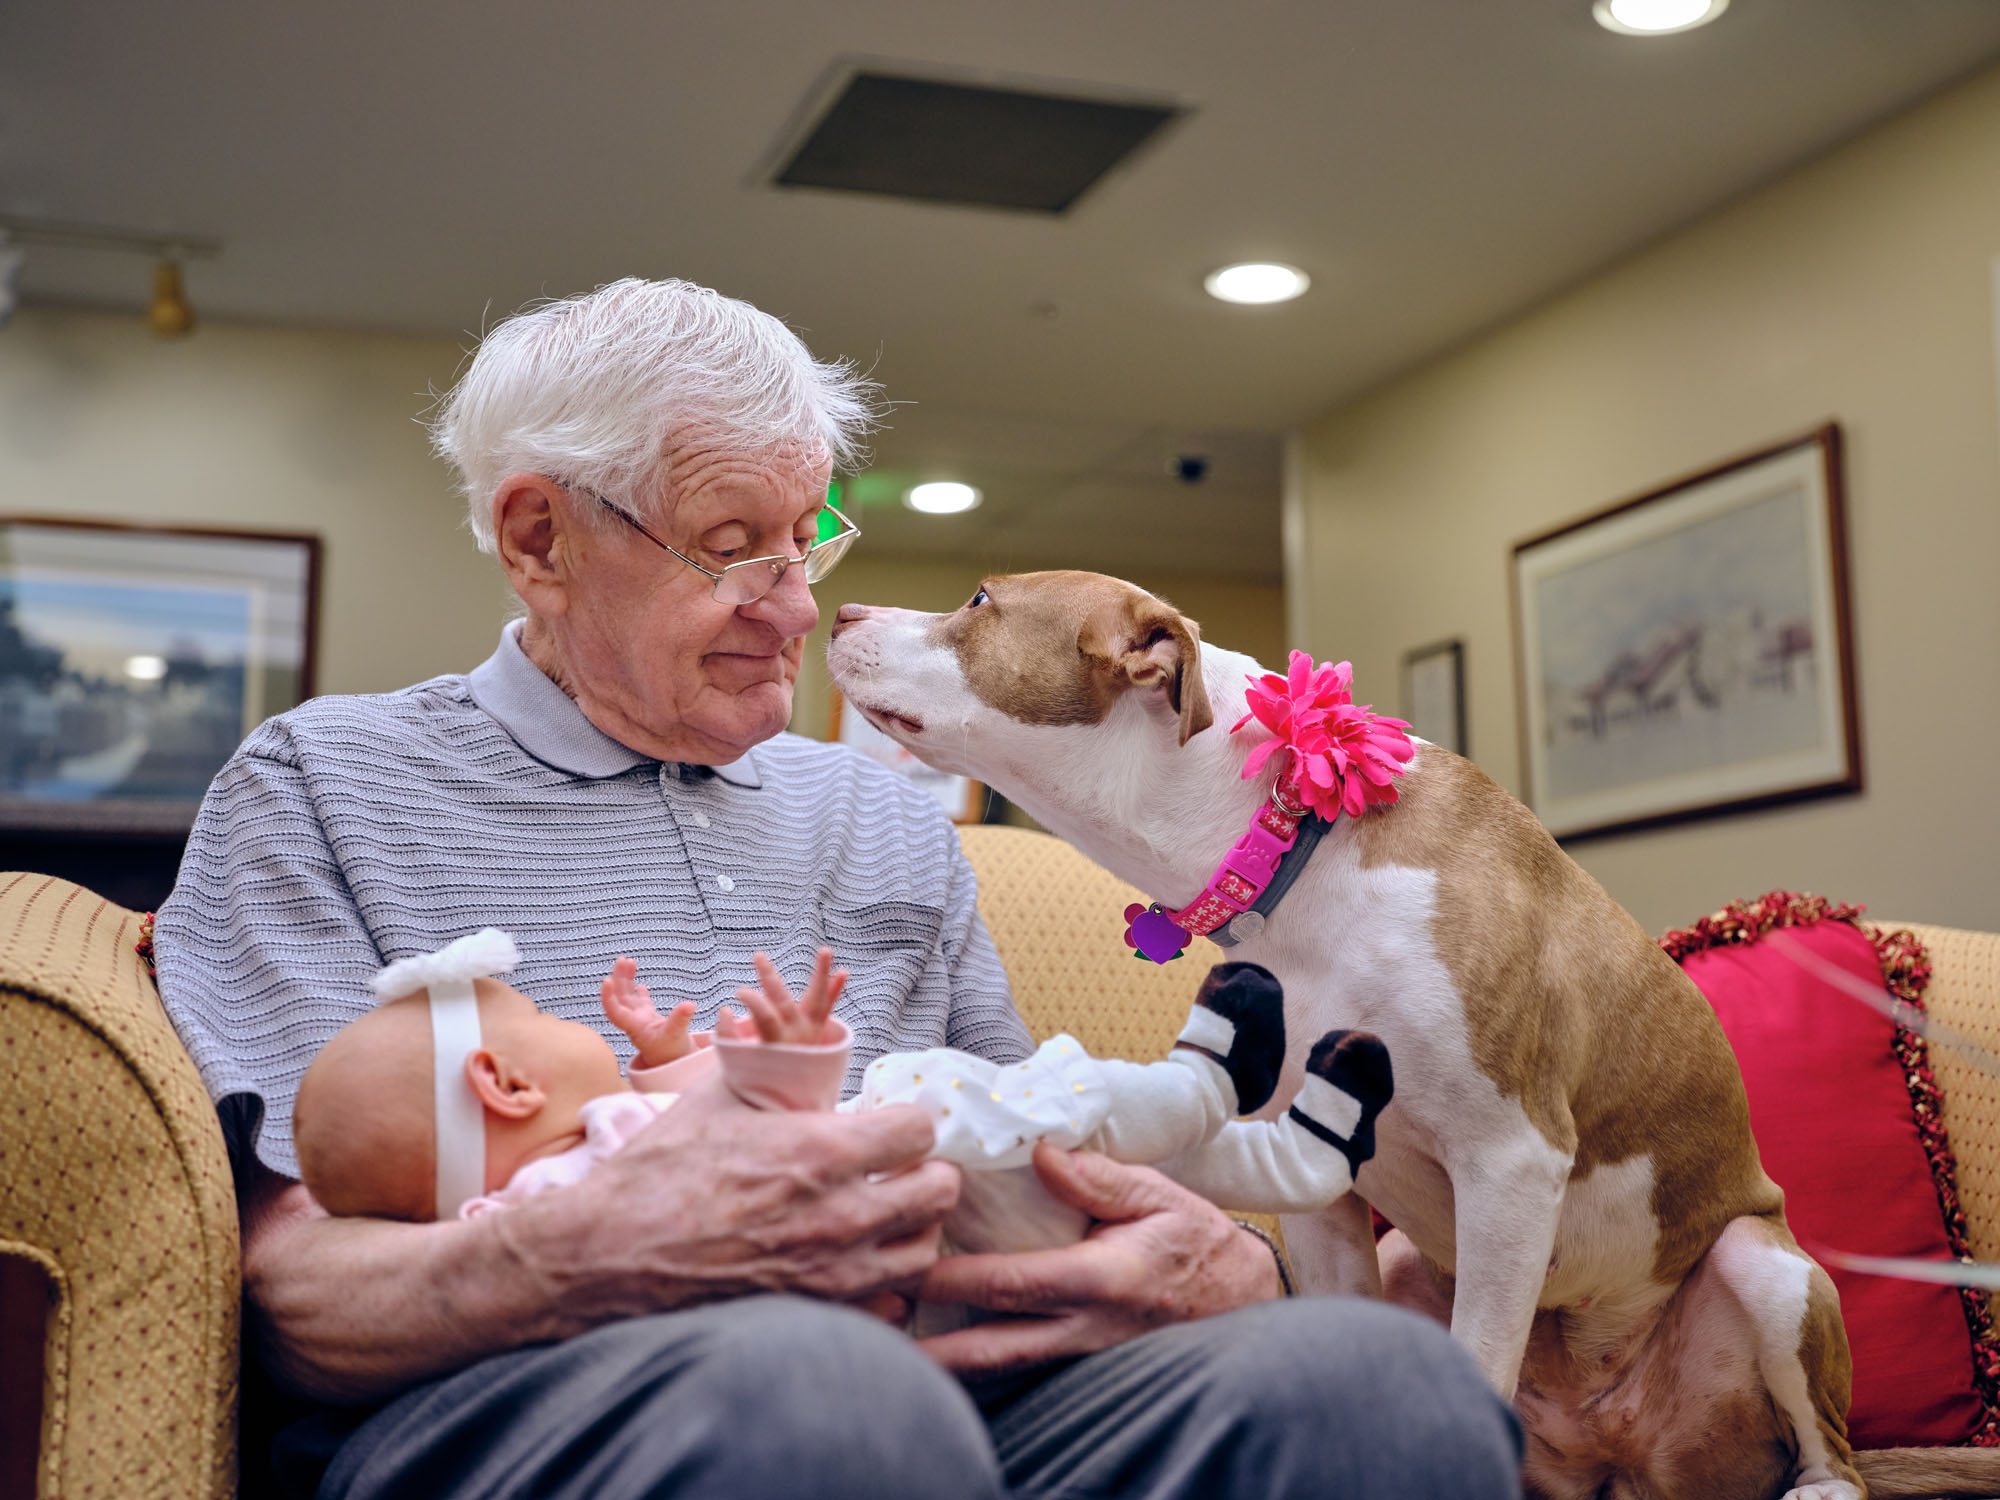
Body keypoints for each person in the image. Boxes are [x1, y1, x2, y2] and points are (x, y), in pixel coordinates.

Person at [153, 277, 1522, 1500]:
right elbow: (292, 1290)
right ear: (539, 541)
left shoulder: (876, 813)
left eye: (809, 540)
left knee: (1382, 1382)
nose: (800, 606)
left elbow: (1058, 1146)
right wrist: (577, 1252)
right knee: (826, 1400)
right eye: (735, 543)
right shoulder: (322, 785)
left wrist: (1216, 1259)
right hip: (529, 1404)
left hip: (962, 1383)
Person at [294, 928, 1393, 1265]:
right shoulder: (550, 1215)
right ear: (501, 1080)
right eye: (541, 1017)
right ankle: (1205, 1082)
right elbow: (760, 1140)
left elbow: (697, 1122)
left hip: (963, 1207)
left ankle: (1297, 1160)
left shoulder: (578, 1157)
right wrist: (780, 1060)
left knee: (1102, 1157)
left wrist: (681, 1058)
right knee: (1042, 1111)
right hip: (939, 1194)